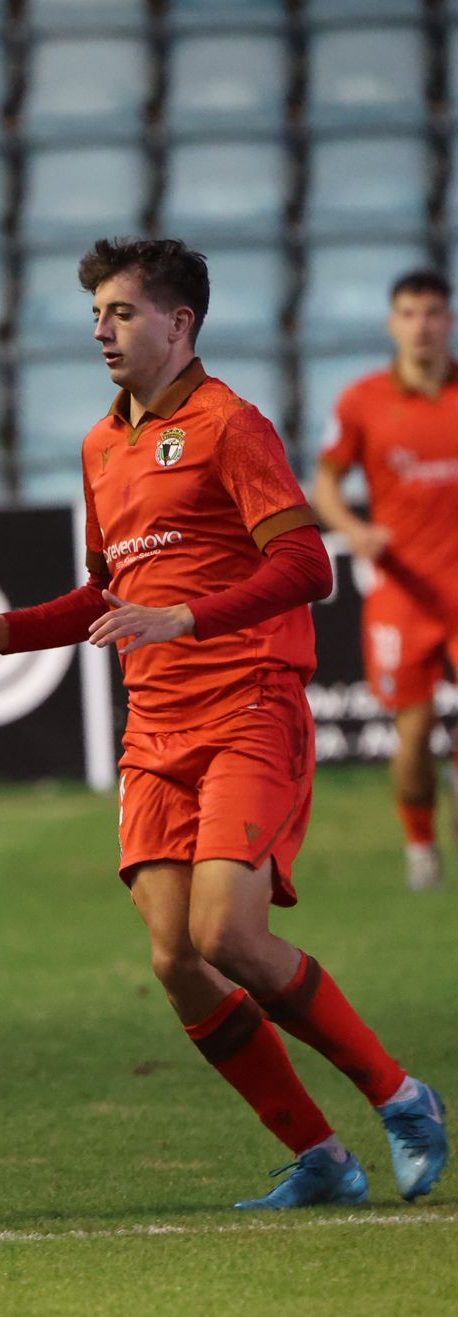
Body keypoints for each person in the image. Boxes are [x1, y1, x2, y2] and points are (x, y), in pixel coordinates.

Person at [0, 238, 447, 1210]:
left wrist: (186, 617)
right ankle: (321, 1156)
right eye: (95, 316)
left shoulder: (230, 424)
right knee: (174, 958)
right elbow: (104, 595)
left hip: (247, 703)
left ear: (178, 323)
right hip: (153, 728)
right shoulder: (99, 445)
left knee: (226, 933)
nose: (101, 331)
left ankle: (399, 1096)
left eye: (120, 312)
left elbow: (308, 565)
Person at [309, 269, 458, 892]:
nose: (422, 326)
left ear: (449, 320)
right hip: (401, 595)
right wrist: (354, 530)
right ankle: (421, 846)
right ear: (392, 323)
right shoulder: (362, 401)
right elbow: (324, 486)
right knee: (414, 732)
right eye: (410, 313)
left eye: (433, 313)